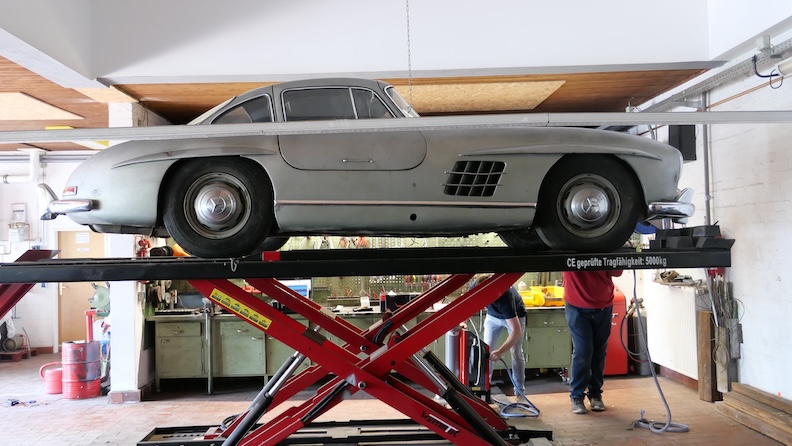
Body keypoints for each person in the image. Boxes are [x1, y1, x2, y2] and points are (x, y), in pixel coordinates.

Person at [562, 269, 623, 414]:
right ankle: (577, 396)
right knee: (583, 351)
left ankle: (595, 394)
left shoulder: (605, 246)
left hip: (603, 305)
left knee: (599, 351)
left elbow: (617, 271)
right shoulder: (570, 246)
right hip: (577, 305)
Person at [482, 280, 526, 394]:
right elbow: (467, 305)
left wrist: (500, 351)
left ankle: (519, 391)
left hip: (515, 316)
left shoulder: (505, 296)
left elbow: (516, 331)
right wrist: (463, 321)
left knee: (516, 352)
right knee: (486, 352)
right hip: (492, 317)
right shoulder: (476, 287)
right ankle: (485, 389)